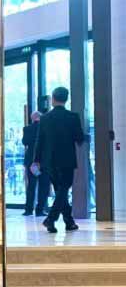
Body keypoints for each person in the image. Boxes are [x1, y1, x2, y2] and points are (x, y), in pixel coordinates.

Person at [33, 87, 86, 233]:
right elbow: (79, 138)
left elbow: (39, 140)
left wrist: (36, 160)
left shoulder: (45, 118)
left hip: (49, 160)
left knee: (60, 190)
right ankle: (51, 219)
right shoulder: (73, 117)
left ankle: (68, 222)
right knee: (64, 189)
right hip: (67, 159)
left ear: (53, 99)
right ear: (66, 99)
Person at [21, 110, 50, 216]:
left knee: (31, 186)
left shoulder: (27, 129)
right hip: (44, 160)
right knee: (44, 185)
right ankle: (40, 209)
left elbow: (24, 142)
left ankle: (28, 210)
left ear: (32, 118)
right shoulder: (47, 128)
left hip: (31, 161)